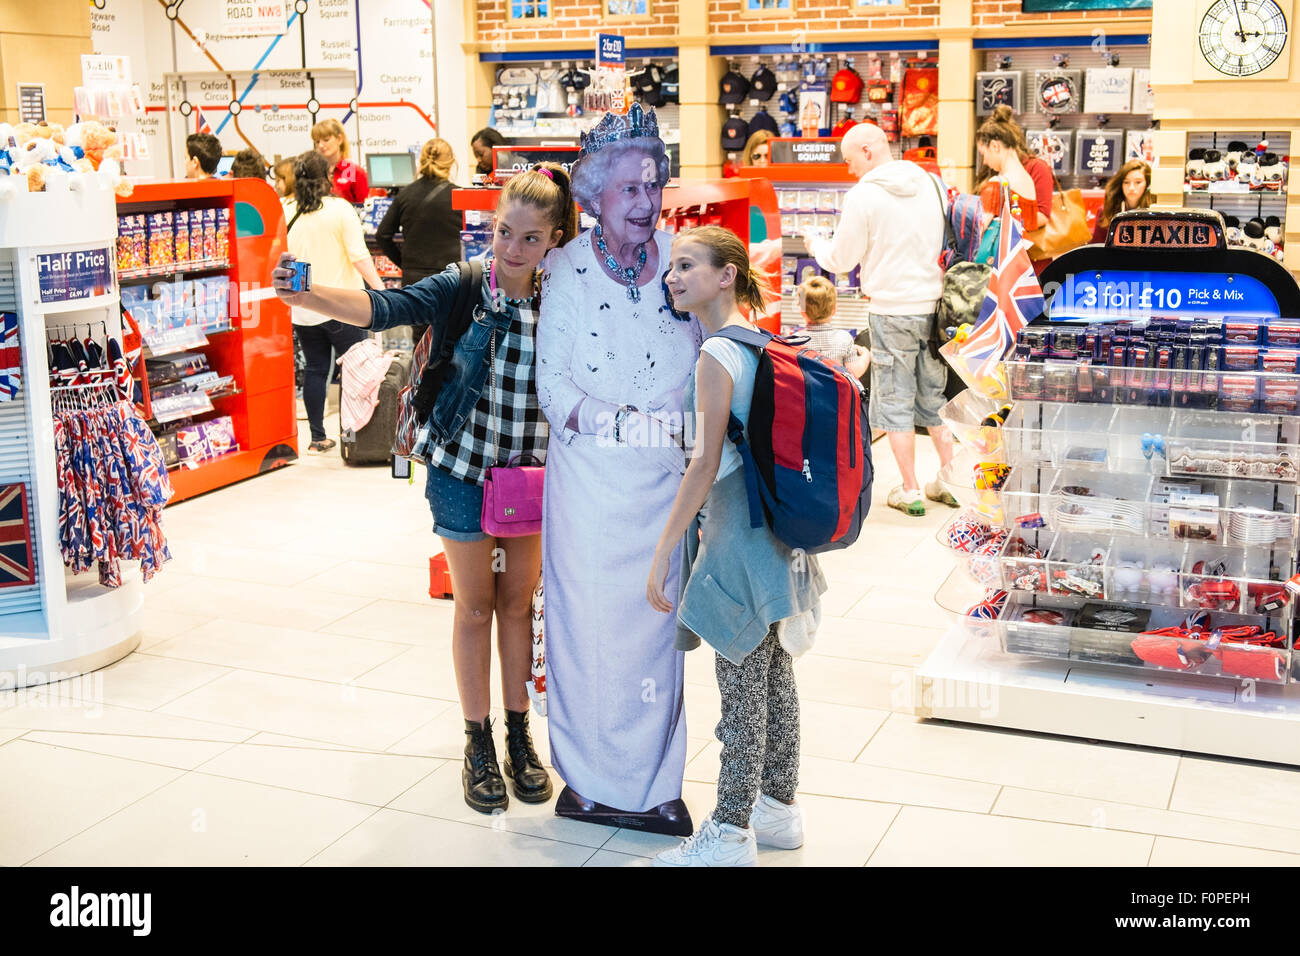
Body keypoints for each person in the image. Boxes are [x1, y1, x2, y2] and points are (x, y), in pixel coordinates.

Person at [272, 163, 576, 814]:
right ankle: (477, 740)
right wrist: (314, 295)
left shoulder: (567, 295)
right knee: (474, 606)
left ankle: (520, 735)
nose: (513, 249)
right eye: (503, 232)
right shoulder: (464, 283)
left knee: (520, 605)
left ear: (554, 239)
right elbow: (386, 305)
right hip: (461, 469)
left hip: (529, 478)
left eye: (529, 238)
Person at [537, 104, 701, 836]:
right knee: (591, 633)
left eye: (653, 185)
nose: (645, 202)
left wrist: (686, 413)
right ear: (594, 195)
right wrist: (626, 423)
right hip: (592, 494)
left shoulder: (681, 257)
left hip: (667, 488)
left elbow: (711, 347)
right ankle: (591, 781)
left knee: (657, 637)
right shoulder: (566, 270)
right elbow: (554, 389)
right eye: (628, 188)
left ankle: (656, 783)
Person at [648, 226, 825, 867]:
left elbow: (702, 465)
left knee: (741, 687)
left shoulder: (717, 355)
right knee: (775, 676)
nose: (673, 276)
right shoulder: (763, 341)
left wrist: (667, 546)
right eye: (671, 266)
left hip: (736, 542)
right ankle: (779, 809)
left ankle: (728, 832)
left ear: (726, 276)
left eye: (688, 265)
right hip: (776, 535)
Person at [803, 122, 955, 517]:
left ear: (868, 151)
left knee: (894, 401)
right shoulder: (929, 182)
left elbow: (841, 259)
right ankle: (950, 479)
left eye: (850, 160)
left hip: (891, 310)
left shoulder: (864, 195)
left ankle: (909, 489)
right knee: (935, 398)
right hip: (936, 307)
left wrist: (815, 245)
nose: (849, 169)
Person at [284, 151, 386, 453]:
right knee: (353, 374)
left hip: (303, 308)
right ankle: (352, 439)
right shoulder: (340, 209)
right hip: (343, 307)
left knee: (316, 369)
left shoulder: (286, 209)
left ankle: (317, 438)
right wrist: (381, 291)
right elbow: (359, 256)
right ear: (326, 176)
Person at [375, 138, 463, 288]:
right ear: (451, 163)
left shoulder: (405, 194)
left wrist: (404, 262)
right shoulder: (460, 196)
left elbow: (382, 235)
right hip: (451, 277)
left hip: (414, 278)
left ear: (421, 161)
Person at [972, 105, 1053, 232]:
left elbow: (978, 230)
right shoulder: (1027, 181)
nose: (985, 161)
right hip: (1021, 250)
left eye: (983, 154)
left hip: (997, 251)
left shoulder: (997, 184)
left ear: (995, 146)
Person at [793, 275, 869, 376]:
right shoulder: (844, 338)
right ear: (834, 309)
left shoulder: (795, 341)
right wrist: (866, 355)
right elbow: (854, 373)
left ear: (802, 311)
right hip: (836, 391)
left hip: (805, 391)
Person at [1092, 159, 1154, 244]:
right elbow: (1096, 247)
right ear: (1120, 184)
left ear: (1147, 184)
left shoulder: (1154, 213)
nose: (1131, 188)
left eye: (1138, 182)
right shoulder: (1106, 211)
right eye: (1126, 182)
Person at [311, 118, 369, 204]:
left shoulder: (355, 172)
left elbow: (365, 207)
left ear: (339, 139)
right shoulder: (313, 172)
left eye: (326, 140)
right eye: (317, 142)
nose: (321, 145)